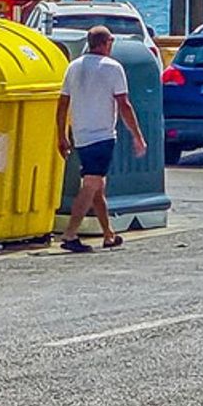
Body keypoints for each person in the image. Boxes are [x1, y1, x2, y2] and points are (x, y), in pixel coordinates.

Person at [55, 25, 149, 253]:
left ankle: (108, 234)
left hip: (81, 134)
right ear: (106, 43)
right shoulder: (113, 68)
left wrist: (62, 135)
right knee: (91, 185)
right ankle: (69, 234)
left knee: (98, 187)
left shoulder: (73, 66)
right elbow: (124, 104)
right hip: (102, 136)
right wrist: (137, 135)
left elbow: (62, 103)